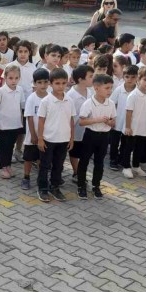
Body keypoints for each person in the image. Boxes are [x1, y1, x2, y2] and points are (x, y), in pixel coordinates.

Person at [36, 68, 76, 202]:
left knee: (58, 165)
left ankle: (55, 187)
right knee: (45, 165)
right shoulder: (46, 101)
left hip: (63, 139)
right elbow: (41, 121)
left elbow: (71, 120)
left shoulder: (69, 100)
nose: (61, 86)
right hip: (48, 139)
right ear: (50, 84)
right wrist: (40, 139)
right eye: (57, 83)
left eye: (64, 83)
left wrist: (71, 138)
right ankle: (42, 188)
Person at [76, 74, 117, 199]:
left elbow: (113, 122)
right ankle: (81, 185)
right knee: (84, 161)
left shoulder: (111, 103)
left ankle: (96, 185)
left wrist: (109, 122)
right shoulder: (89, 103)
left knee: (99, 162)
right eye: (107, 88)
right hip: (90, 135)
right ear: (96, 88)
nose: (109, 91)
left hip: (104, 136)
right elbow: (81, 122)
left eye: (111, 88)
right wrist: (97, 120)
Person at [0, 65, 25, 179]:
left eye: (16, 78)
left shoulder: (20, 90)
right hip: (4, 125)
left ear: (19, 78)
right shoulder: (1, 91)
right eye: (10, 78)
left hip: (15, 124)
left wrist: (21, 121)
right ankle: (2, 167)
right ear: (5, 77)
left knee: (10, 146)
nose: (13, 81)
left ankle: (8, 165)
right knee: (3, 147)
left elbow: (21, 107)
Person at [122, 67, 146, 177]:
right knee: (128, 147)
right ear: (138, 79)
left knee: (139, 148)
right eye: (145, 79)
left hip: (144, 127)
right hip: (132, 127)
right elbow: (128, 112)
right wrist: (128, 127)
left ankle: (136, 166)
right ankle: (126, 167)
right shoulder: (133, 95)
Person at [21, 69, 50, 190]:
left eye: (45, 82)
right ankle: (26, 177)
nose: (43, 85)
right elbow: (29, 117)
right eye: (39, 82)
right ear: (34, 83)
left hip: (45, 135)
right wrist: (33, 135)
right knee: (28, 158)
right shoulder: (32, 98)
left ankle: (41, 178)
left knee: (41, 158)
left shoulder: (50, 97)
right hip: (32, 136)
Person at [111, 65, 138, 176]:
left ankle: (122, 158)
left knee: (125, 143)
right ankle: (113, 160)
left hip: (129, 123)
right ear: (123, 77)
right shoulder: (119, 89)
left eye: (133, 77)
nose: (130, 79)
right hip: (118, 121)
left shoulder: (137, 91)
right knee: (114, 142)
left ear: (137, 77)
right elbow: (112, 103)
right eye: (127, 77)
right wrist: (112, 118)